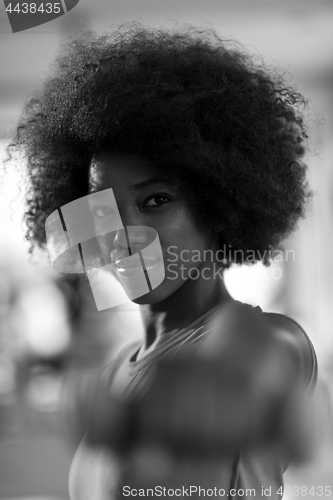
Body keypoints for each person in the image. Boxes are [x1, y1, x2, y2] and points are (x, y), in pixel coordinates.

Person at [10, 23, 318, 499]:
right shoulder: (116, 371)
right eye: (104, 209)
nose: (123, 235)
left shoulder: (265, 343)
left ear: (219, 205)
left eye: (155, 200)